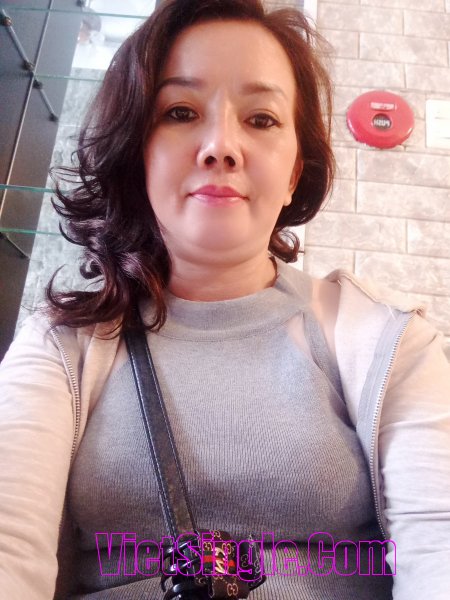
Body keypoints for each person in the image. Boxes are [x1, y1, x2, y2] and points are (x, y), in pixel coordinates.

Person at [0, 0, 449, 598]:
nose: (220, 146)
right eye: (181, 112)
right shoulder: (60, 347)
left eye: (261, 119)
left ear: (294, 173)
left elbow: (438, 544)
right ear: (138, 153)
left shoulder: (390, 342)